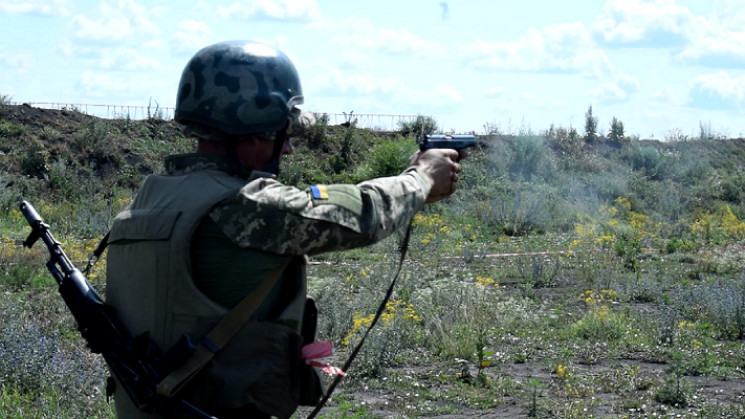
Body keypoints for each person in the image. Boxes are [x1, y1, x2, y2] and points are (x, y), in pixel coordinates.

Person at [105, 40, 462, 419]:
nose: (288, 149)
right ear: (254, 133)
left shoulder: (151, 198)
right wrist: (421, 179)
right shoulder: (239, 205)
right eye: (282, 134)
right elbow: (363, 215)